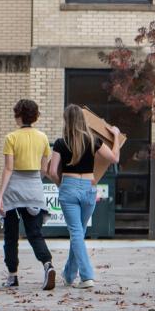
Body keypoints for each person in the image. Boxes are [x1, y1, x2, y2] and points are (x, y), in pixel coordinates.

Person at [44, 105, 118, 289]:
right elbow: (114, 158)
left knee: (76, 233)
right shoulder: (94, 141)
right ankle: (69, 275)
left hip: (68, 186)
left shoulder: (61, 143)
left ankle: (86, 277)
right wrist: (116, 136)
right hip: (88, 188)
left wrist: (61, 184)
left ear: (66, 121)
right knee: (79, 233)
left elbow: (51, 171)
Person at [0, 99, 57, 290]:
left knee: (10, 235)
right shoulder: (43, 138)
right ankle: (48, 265)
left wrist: (0, 196)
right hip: (34, 190)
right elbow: (44, 169)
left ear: (19, 116)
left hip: (14, 191)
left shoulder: (11, 138)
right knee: (35, 233)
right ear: (35, 116)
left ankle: (12, 276)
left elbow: (8, 169)